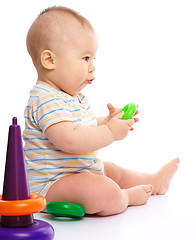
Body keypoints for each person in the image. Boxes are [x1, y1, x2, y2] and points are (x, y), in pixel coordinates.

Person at [23, 6, 179, 216]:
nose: (93, 66)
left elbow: (79, 126)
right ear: (50, 60)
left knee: (113, 170)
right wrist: (110, 133)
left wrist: (106, 121)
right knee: (103, 190)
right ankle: (125, 197)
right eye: (85, 58)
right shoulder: (45, 98)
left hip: (78, 173)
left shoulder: (71, 96)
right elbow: (70, 139)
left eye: (93, 59)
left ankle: (155, 181)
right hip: (50, 185)